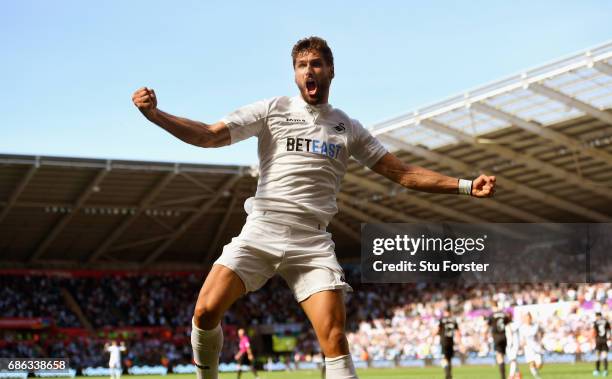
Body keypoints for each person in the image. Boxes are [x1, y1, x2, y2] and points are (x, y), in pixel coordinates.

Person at [132, 36, 496, 379]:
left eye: (317, 64)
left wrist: (464, 185)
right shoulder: (272, 109)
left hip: (311, 243)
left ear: (331, 71)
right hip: (262, 229)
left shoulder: (347, 127)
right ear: (294, 73)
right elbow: (209, 136)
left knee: (335, 340)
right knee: (204, 311)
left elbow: (402, 174)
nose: (309, 71)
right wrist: (156, 115)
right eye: (302, 64)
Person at [489, 306, 511, 379]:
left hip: (497, 337)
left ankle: (503, 376)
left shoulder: (492, 315)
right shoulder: (503, 314)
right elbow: (508, 322)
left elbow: (488, 325)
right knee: (503, 356)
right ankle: (505, 374)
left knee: (499, 357)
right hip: (504, 337)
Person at [520, 313, 543, 379]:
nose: (528, 319)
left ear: (531, 318)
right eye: (526, 318)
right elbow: (522, 338)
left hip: (536, 346)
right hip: (528, 347)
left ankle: (534, 370)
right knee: (531, 363)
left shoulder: (535, 326)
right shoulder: (522, 327)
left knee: (539, 365)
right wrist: (522, 344)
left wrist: (540, 341)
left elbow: (540, 333)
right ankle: (537, 377)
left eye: (529, 318)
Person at [439, 310, 461, 379]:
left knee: (444, 358)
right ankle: (449, 375)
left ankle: (447, 373)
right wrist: (459, 342)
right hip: (451, 342)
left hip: (444, 341)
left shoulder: (442, 320)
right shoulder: (453, 320)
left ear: (446, 312)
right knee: (449, 359)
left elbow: (437, 329)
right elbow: (458, 332)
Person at [505, 313, 522, 379]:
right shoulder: (506, 326)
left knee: (513, 360)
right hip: (508, 345)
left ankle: (511, 376)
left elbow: (520, 323)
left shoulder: (514, 324)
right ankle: (518, 374)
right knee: (513, 360)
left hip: (514, 345)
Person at [593, 312, 610, 377]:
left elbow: (594, 332)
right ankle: (605, 370)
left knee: (598, 356)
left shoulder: (595, 323)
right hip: (604, 341)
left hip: (598, 341)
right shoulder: (606, 322)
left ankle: (597, 370)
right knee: (604, 356)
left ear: (597, 316)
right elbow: (609, 331)